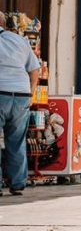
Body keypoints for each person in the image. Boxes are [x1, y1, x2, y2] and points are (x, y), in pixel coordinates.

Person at [0, 23, 40, 197]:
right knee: (16, 141)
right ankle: (17, 184)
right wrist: (31, 93)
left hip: (1, 92)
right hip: (22, 94)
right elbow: (35, 69)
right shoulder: (20, 40)